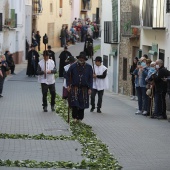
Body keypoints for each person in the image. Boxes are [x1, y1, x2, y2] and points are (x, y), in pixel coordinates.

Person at [66, 51, 93, 122]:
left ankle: (80, 118)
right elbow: (68, 76)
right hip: (75, 87)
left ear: (85, 59)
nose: (81, 59)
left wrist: (90, 88)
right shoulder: (73, 67)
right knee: (74, 103)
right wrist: (68, 85)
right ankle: (74, 117)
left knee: (82, 104)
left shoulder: (89, 67)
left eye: (83, 58)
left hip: (84, 88)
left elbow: (91, 78)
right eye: (80, 58)